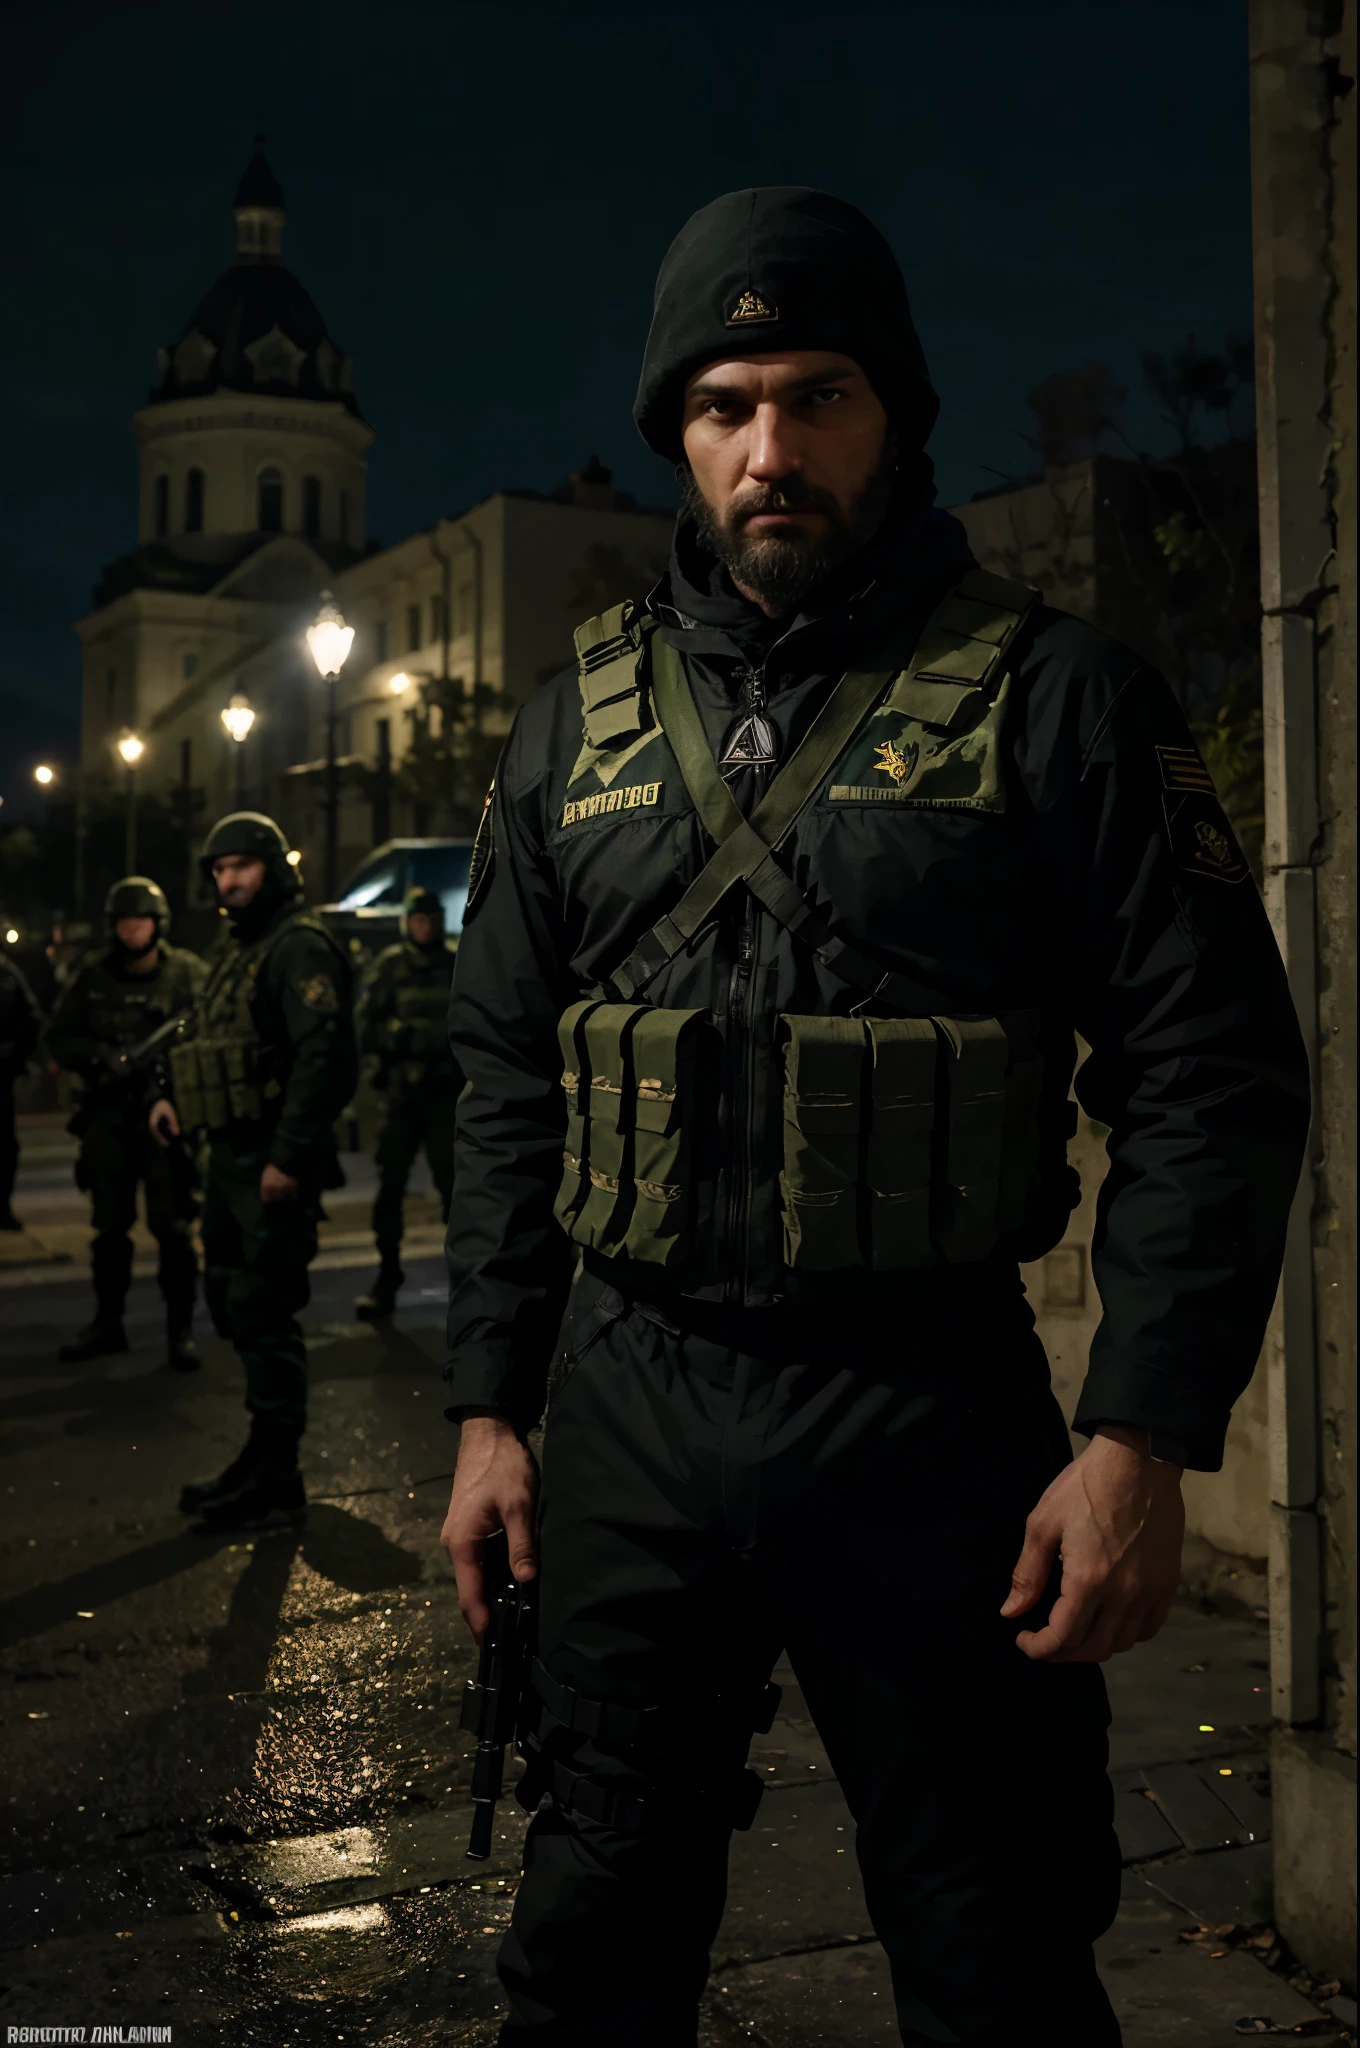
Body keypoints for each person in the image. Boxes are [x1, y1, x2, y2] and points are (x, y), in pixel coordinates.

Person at [437, 188, 1310, 2047]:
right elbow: (507, 1072)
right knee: (589, 1929)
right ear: (678, 430)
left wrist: (1141, 1431)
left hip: (927, 1408)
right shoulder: (564, 731)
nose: (773, 449)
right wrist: (490, 1405)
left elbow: (1211, 1064)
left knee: (995, 1944)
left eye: (819, 394)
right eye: (726, 403)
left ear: (895, 410)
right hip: (630, 1401)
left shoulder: (1057, 699)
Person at [150, 813, 357, 1531]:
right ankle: (260, 1456)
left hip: (268, 1164)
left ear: (273, 867)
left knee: (265, 1314)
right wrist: (175, 1101)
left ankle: (277, 1471)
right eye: (218, 869)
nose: (227, 881)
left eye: (241, 866)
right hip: (229, 1160)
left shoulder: (298, 948)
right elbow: (215, 1040)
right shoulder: (239, 950)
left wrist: (286, 1158)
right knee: (233, 1301)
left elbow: (324, 1062)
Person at [46, 878, 205, 1367]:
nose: (132, 930)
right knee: (109, 1229)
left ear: (158, 924)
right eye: (124, 921)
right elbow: (57, 1037)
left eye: (141, 921)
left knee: (174, 1229)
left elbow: (209, 1036)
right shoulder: (93, 978)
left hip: (167, 1119)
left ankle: (180, 1333)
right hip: (109, 1119)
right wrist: (98, 1058)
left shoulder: (187, 975)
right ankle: (107, 1324)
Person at [353, 886, 463, 1320]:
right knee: (390, 1190)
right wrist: (396, 1042)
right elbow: (367, 1025)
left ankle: (464, 1281)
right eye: (418, 920)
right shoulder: (390, 968)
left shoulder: (456, 964)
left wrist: (430, 1041)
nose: (425, 928)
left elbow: (471, 1023)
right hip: (403, 1096)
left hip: (443, 1095)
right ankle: (387, 1275)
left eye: (431, 920)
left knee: (455, 1191)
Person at [0, 951, 43, 1231]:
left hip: (0, 1074)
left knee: (4, 1147)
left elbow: (30, 1017)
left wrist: (14, 1057)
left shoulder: (5, 971)